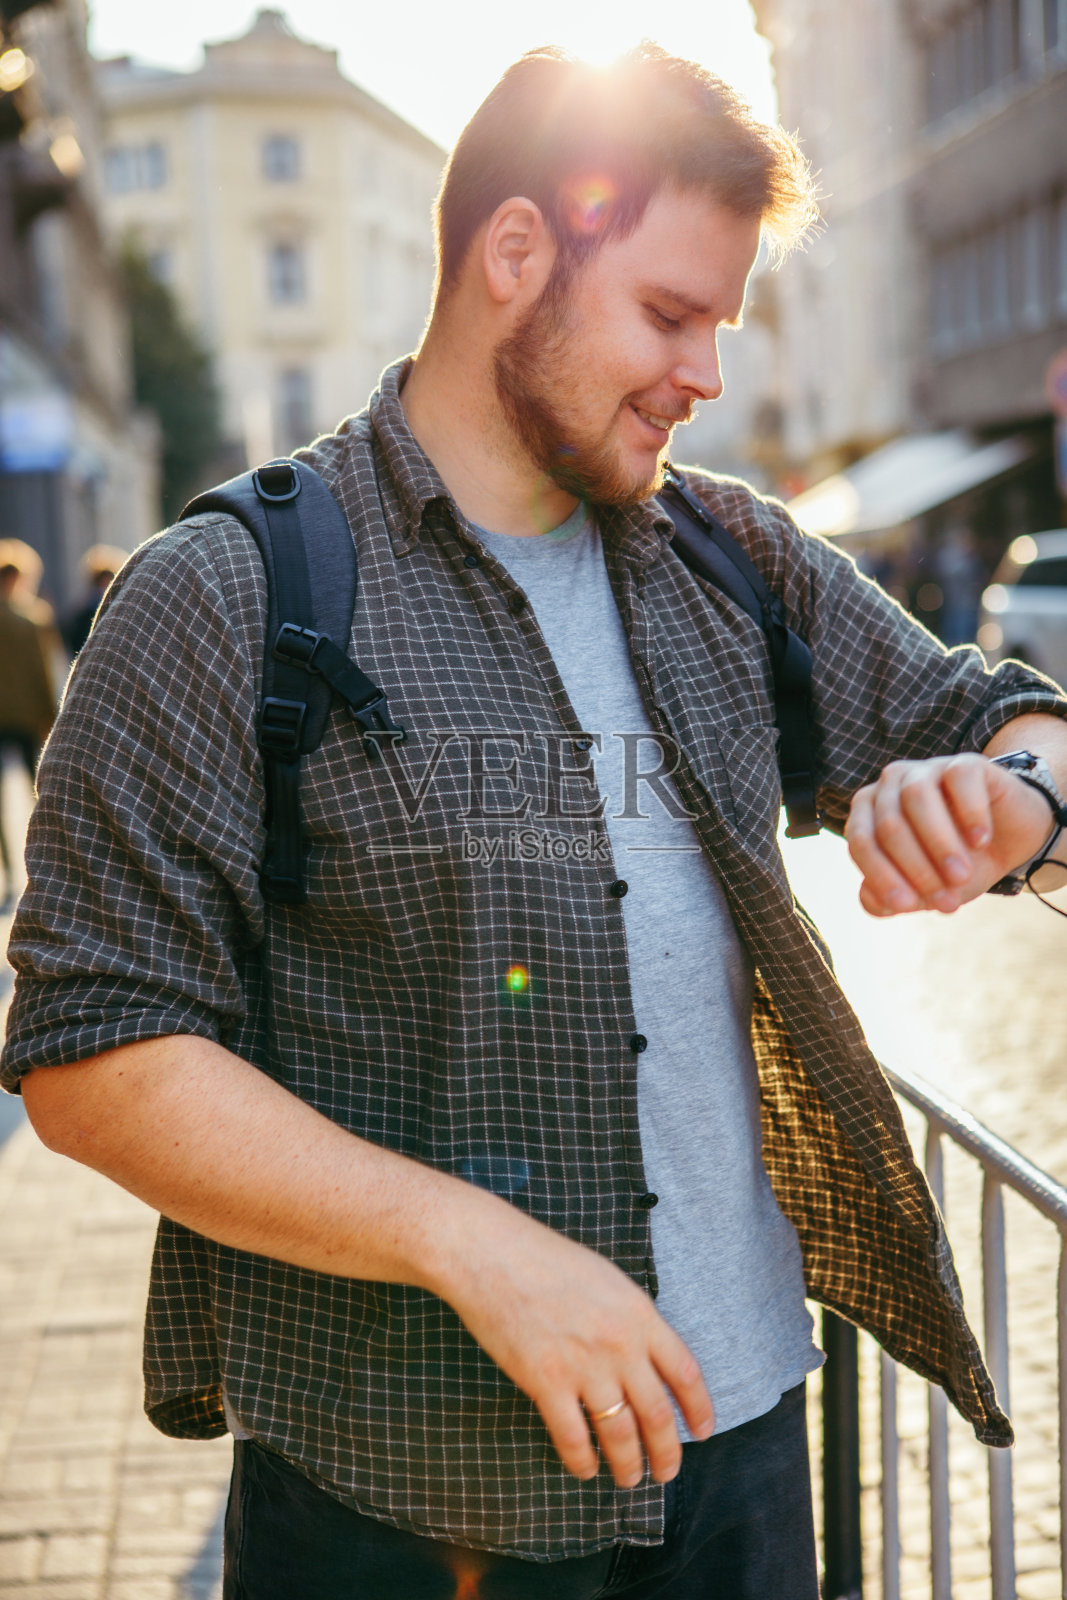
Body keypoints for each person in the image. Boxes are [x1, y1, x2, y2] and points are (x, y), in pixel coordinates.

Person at [3, 44, 1067, 1600]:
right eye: (666, 314)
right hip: (399, 1490)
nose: (703, 372)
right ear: (514, 254)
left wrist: (1002, 799)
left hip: (747, 1451)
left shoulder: (730, 555)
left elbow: (1013, 724)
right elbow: (91, 1045)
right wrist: (471, 1246)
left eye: (719, 322)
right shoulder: (223, 592)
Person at [0, 541, 57, 912]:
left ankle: (8, 872)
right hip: (28, 718)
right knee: (43, 795)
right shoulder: (34, 619)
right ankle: (50, 867)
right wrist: (51, 719)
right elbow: (44, 675)